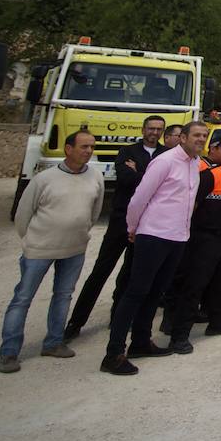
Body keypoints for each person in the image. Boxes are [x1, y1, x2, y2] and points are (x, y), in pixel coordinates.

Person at [99, 121, 205, 376]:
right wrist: (133, 228)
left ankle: (140, 342)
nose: (201, 140)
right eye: (196, 135)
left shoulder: (193, 164)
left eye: (205, 135)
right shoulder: (166, 161)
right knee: (136, 292)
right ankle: (113, 354)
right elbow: (140, 197)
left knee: (156, 292)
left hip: (177, 237)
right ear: (182, 138)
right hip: (154, 234)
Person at [1, 130, 102, 374]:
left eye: (91, 147)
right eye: (83, 146)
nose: (88, 151)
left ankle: (54, 342)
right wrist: (33, 241)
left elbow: (94, 212)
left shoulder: (95, 177)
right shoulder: (44, 179)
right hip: (39, 249)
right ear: (68, 149)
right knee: (23, 298)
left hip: (75, 248)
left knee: (63, 295)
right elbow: (23, 215)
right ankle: (9, 352)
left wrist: (80, 233)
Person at [65, 115, 163, 341]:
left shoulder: (163, 154)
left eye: (159, 129)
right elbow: (126, 179)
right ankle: (76, 322)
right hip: (120, 220)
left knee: (129, 274)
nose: (154, 133)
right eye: (151, 128)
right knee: (101, 270)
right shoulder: (127, 151)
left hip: (146, 222)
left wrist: (140, 173)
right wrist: (148, 177)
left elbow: (160, 186)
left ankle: (117, 318)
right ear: (143, 129)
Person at [168, 136, 221, 352]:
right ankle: (179, 335)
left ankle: (218, 322)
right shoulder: (209, 176)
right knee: (195, 286)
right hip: (207, 239)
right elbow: (191, 206)